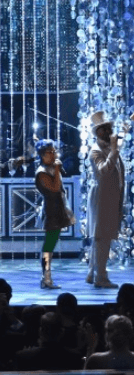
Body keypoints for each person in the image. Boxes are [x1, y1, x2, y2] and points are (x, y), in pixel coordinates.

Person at [87, 110, 126, 288]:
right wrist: (115, 149)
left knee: (100, 237)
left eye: (109, 127)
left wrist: (127, 128)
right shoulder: (95, 152)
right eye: (105, 129)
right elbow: (104, 170)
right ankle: (100, 277)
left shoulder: (108, 148)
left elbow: (120, 142)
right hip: (102, 198)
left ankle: (92, 272)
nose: (110, 131)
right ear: (98, 132)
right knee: (101, 238)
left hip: (110, 197)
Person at [34, 139, 76, 289]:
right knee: (49, 245)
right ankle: (46, 278)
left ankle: (47, 277)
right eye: (49, 152)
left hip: (58, 210)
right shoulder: (42, 172)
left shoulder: (51, 168)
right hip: (50, 212)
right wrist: (57, 170)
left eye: (54, 151)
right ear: (42, 155)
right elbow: (55, 187)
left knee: (50, 245)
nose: (53, 155)